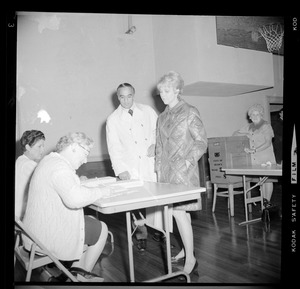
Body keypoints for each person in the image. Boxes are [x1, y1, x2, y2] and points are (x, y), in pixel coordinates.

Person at [22, 132, 110, 282]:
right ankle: (81, 276)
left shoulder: (50, 161)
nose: (86, 160)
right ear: (74, 147)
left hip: (35, 233)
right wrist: (102, 191)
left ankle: (74, 273)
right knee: (101, 228)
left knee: (88, 220)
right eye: (86, 153)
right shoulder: (59, 167)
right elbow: (74, 199)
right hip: (45, 238)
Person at [155, 71, 207, 276]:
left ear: (177, 90)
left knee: (179, 213)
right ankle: (186, 249)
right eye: (160, 92)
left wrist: (187, 160)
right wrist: (158, 170)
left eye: (167, 90)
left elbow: (201, 141)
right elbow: (159, 147)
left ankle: (191, 258)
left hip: (184, 172)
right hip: (167, 174)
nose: (163, 95)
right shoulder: (161, 117)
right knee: (176, 213)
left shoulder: (189, 111)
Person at [106, 83, 159, 251]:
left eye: (129, 96)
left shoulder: (147, 110)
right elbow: (113, 147)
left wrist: (156, 145)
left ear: (133, 95)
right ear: (118, 97)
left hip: (150, 162)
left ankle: (160, 232)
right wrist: (120, 169)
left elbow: (159, 130)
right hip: (130, 166)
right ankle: (141, 235)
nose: (126, 100)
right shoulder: (113, 119)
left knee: (156, 198)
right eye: (122, 97)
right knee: (136, 204)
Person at [233, 103, 276, 204]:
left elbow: (268, 142)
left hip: (266, 158)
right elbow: (235, 134)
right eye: (253, 115)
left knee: (267, 181)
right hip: (254, 159)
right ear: (250, 117)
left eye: (257, 114)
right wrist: (245, 134)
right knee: (259, 182)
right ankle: (262, 203)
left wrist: (254, 150)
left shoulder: (266, 126)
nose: (255, 116)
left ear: (261, 115)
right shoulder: (249, 127)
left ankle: (267, 204)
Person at [15, 130, 45, 220]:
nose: (42, 150)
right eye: (39, 146)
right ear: (28, 147)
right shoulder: (29, 165)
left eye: (43, 146)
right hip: (22, 216)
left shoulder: (20, 161)